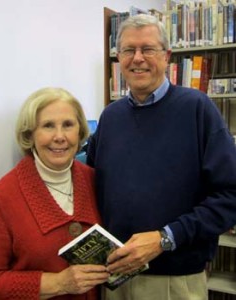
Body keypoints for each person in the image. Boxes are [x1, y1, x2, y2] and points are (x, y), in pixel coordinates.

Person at [86, 14, 236, 300]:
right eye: (129, 50)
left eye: (148, 49)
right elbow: (90, 186)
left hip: (174, 280)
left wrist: (167, 238)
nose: (138, 58)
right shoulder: (111, 117)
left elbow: (230, 194)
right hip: (114, 277)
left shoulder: (197, 109)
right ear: (119, 58)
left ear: (167, 56)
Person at [0, 87, 109, 299]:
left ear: (80, 132)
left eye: (68, 125)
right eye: (48, 126)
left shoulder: (94, 179)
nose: (60, 136)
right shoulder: (1, 198)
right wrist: (58, 283)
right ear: (29, 134)